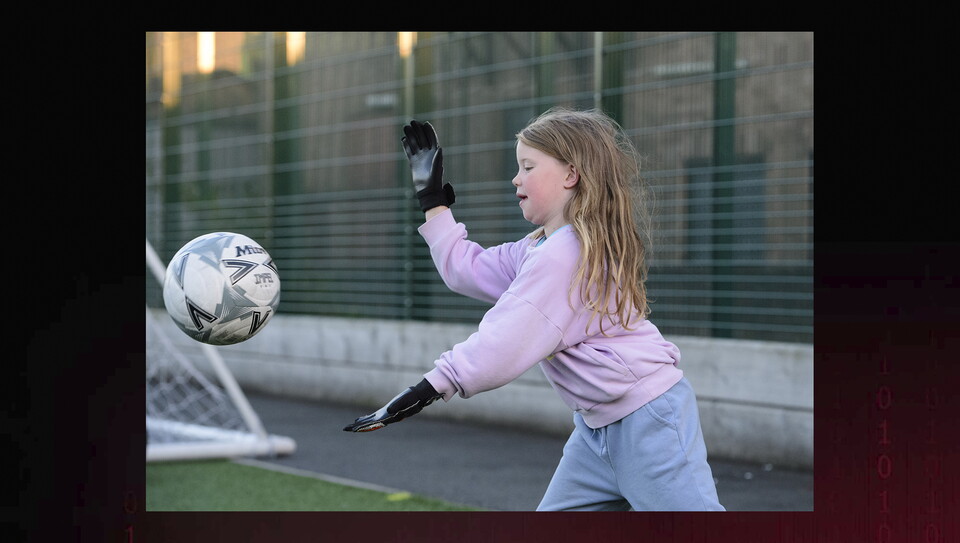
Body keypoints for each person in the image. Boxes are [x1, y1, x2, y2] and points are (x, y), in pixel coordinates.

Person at [343, 108, 725, 512]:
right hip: (597, 429)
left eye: (528, 166)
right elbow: (465, 270)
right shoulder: (540, 247)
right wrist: (432, 200)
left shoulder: (565, 254)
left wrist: (430, 387)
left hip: (648, 422)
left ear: (570, 175)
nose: (516, 178)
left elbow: (506, 339)